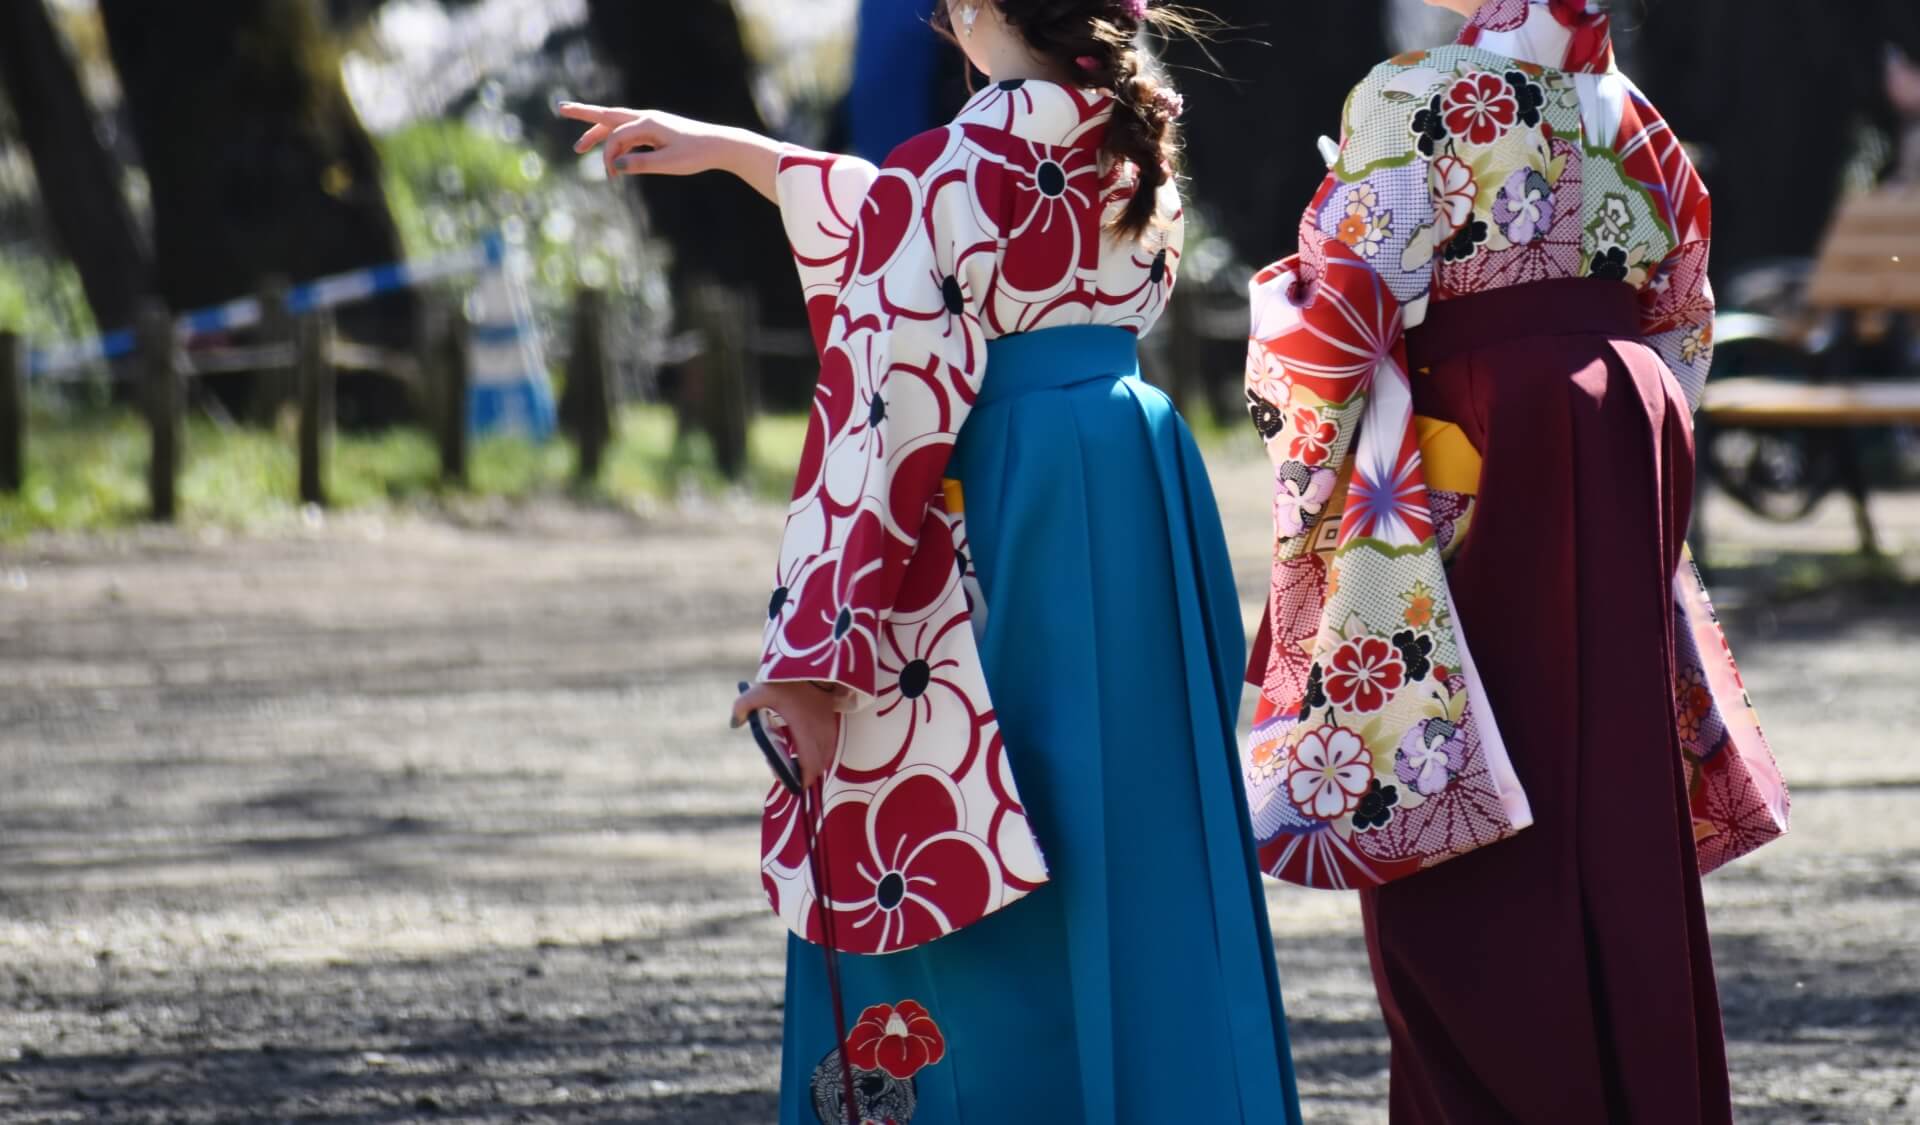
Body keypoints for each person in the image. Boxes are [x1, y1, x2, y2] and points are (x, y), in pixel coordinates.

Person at [564, 2, 1302, 1122]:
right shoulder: (1121, 129)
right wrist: (741, 154)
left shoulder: (949, 167)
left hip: (1000, 497)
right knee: (1135, 836)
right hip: (1127, 477)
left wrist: (818, 651)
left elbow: (887, 401)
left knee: (992, 823)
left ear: (964, 11)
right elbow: (929, 229)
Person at [1241, 0, 1779, 1120]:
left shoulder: (1415, 93)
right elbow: (1683, 318)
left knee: (1461, 779)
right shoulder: (1629, 111)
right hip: (1619, 426)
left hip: (1481, 435)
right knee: (1607, 778)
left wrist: (1303, 448)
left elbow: (1341, 312)